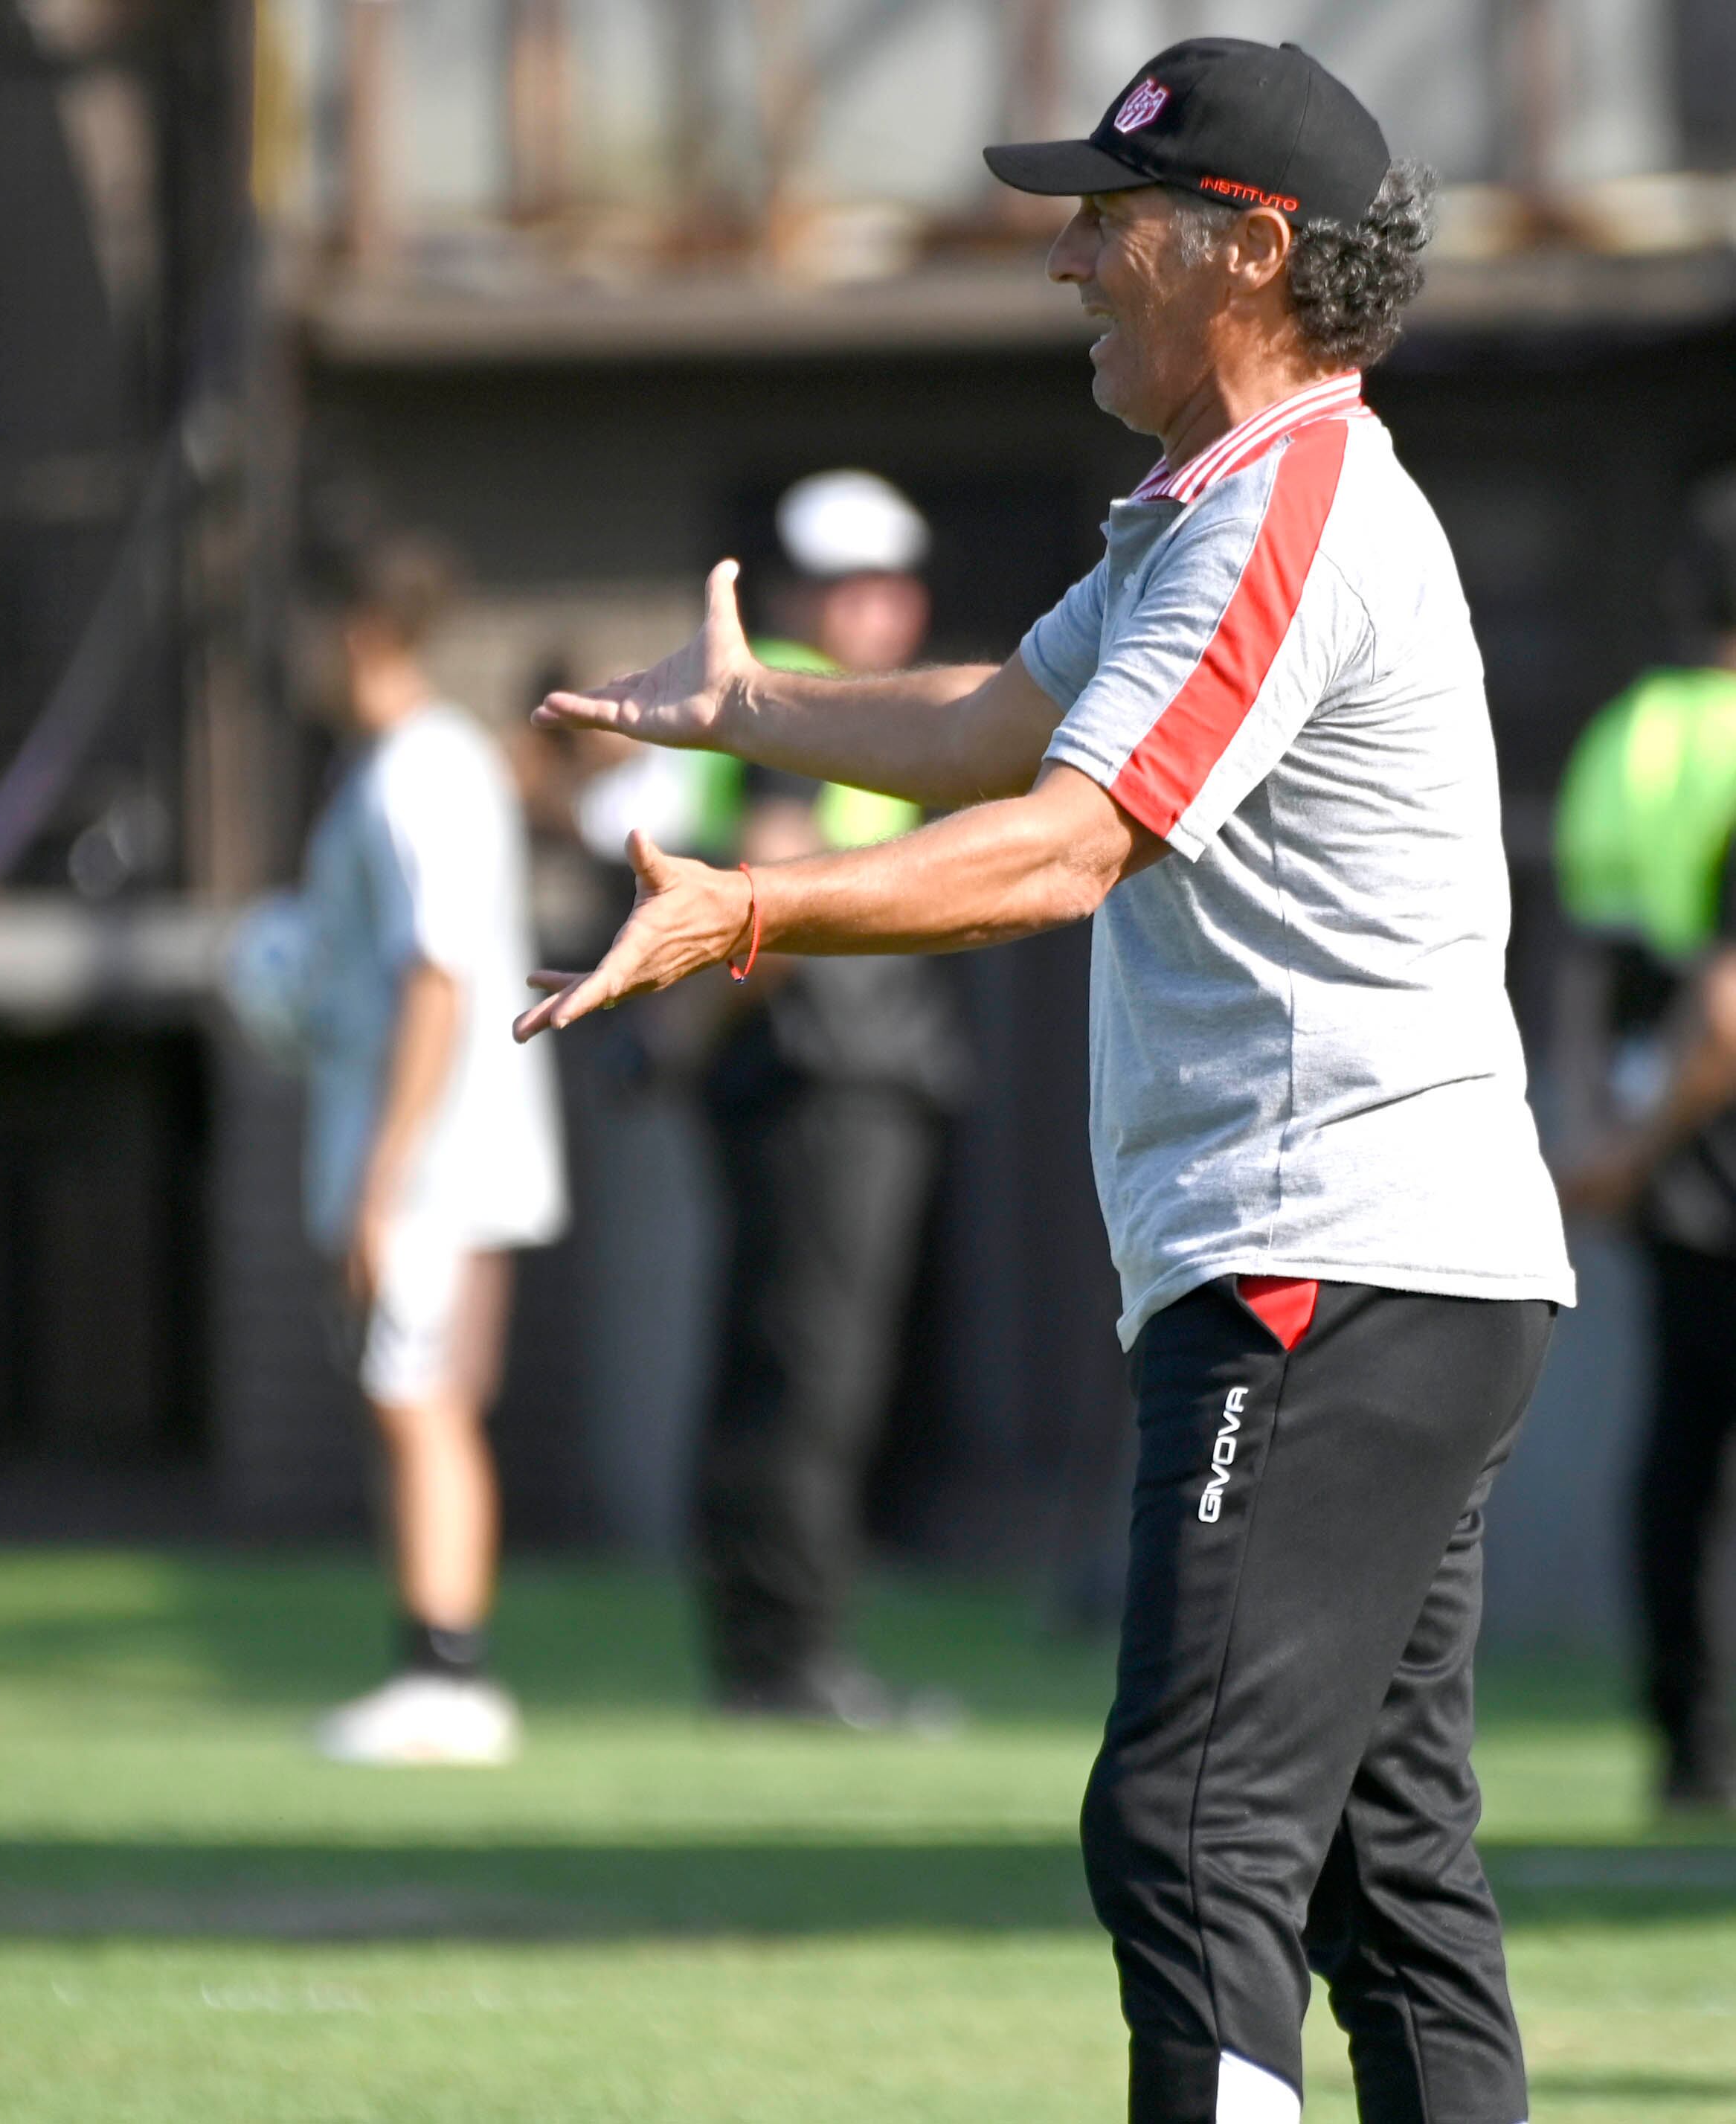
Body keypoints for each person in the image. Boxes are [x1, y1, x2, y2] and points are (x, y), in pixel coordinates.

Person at [521, 39, 1572, 2124]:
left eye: (1110, 222)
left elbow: (1064, 842)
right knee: (1386, 1875)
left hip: (1319, 1267)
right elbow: (1003, 723)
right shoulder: (1217, 502)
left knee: (1184, 1840)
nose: (1068, 262)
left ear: (1246, 252)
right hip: (1385, 1266)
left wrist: (742, 913)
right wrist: (753, 707)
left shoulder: (1285, 506)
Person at [696, 470, 971, 1723]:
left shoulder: (836, 704)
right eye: (853, 586)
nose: (878, 611)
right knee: (812, 1374)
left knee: (798, 1366)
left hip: (837, 1079)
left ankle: (777, 1646)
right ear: (808, 593)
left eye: (892, 586)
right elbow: (783, 896)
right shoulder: (800, 692)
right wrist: (681, 1039)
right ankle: (785, 1657)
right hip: (824, 1080)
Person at [300, 535, 567, 1767]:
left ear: (356, 630)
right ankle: (437, 1665)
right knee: (420, 1401)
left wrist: (382, 1173)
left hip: (434, 1154)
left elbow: (436, 975)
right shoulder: (426, 764)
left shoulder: (417, 770)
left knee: (419, 1404)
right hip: (453, 1148)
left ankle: (445, 1675)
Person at [1552, 472, 1736, 1815]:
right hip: (1706, 1099)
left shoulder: (1627, 737)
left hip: (1658, 1139)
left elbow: (1586, 960)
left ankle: (1686, 1735)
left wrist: (1596, 1136)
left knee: (1679, 1442)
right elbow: (1723, 1005)